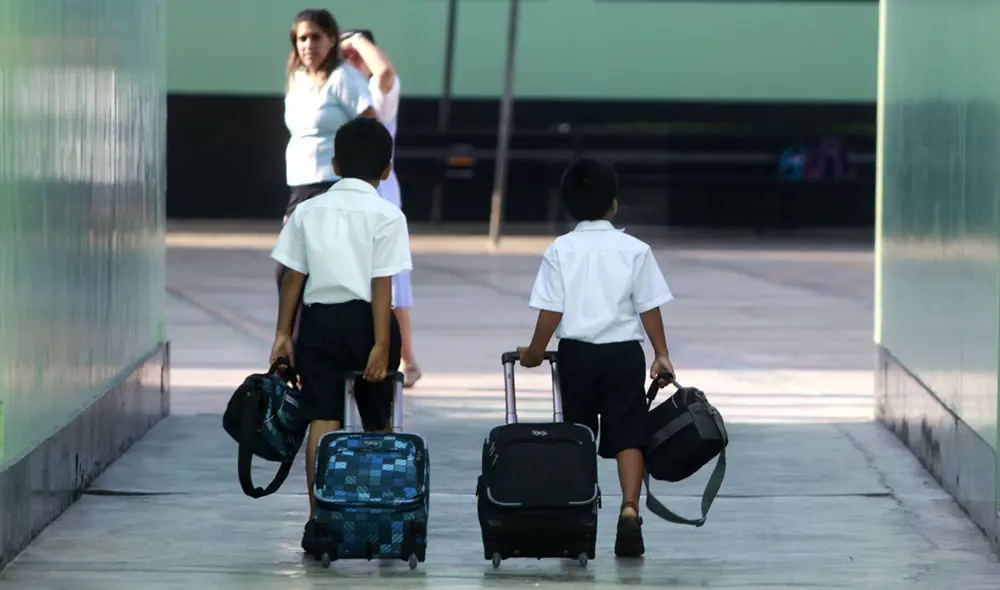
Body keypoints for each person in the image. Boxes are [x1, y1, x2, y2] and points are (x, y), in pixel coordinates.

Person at [516, 158, 676, 558]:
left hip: (577, 356)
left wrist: (534, 353)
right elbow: (649, 307)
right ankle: (628, 511)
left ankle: (579, 514)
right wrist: (661, 354)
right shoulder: (635, 250)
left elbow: (551, 311)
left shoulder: (560, 250)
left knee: (578, 434)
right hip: (624, 355)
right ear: (614, 204)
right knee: (629, 434)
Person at [268, 117, 412, 552]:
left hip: (318, 323)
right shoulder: (388, 214)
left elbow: (293, 277)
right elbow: (381, 282)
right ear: (387, 169)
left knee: (323, 419)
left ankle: (319, 520)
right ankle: (388, 511)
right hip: (369, 323)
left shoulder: (307, 211)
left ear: (333, 163)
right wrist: (382, 345)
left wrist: (282, 335)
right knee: (378, 421)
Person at [278, 9, 378, 332]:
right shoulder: (297, 79)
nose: (308, 45)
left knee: (314, 273)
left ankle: (313, 345)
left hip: (332, 186)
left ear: (332, 39)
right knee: (288, 270)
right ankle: (291, 347)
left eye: (316, 37)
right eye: (302, 38)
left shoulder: (344, 77)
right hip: (300, 189)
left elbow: (371, 124)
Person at [340, 29, 422, 387]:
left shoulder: (378, 93)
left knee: (394, 281)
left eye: (358, 55)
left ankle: (407, 359)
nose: (351, 62)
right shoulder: (339, 91)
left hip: (381, 196)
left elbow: (385, 73)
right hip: (344, 196)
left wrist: (356, 40)